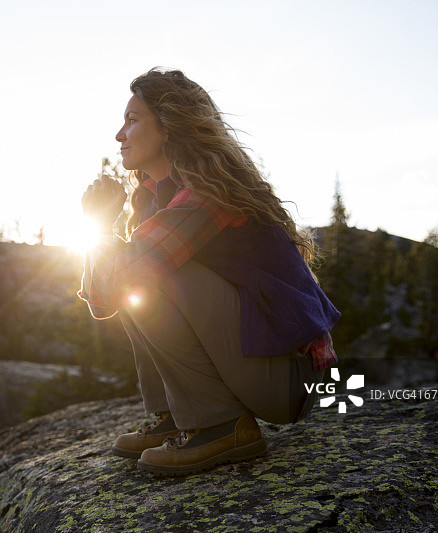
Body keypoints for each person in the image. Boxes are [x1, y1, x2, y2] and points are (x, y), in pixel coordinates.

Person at [78, 67, 341, 477]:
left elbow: (126, 277)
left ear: (168, 126)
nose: (119, 135)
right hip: (259, 365)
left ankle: (218, 424)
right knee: (139, 276)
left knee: (150, 275)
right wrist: (103, 229)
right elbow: (103, 303)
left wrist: (104, 231)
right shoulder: (154, 200)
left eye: (132, 120)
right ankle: (174, 414)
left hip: (291, 380)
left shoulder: (207, 192)